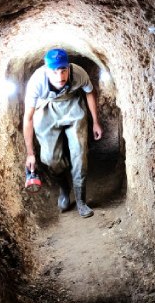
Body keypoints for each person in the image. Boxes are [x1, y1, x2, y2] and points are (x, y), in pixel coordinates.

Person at [23, 49, 103, 217]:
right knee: (51, 158)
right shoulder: (37, 82)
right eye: (54, 71)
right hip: (47, 108)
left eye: (63, 70)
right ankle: (64, 189)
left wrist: (95, 122)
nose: (60, 77)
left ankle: (81, 200)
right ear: (47, 69)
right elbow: (28, 118)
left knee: (80, 155)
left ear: (68, 67)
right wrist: (30, 154)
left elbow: (89, 92)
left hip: (73, 105)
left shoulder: (78, 73)